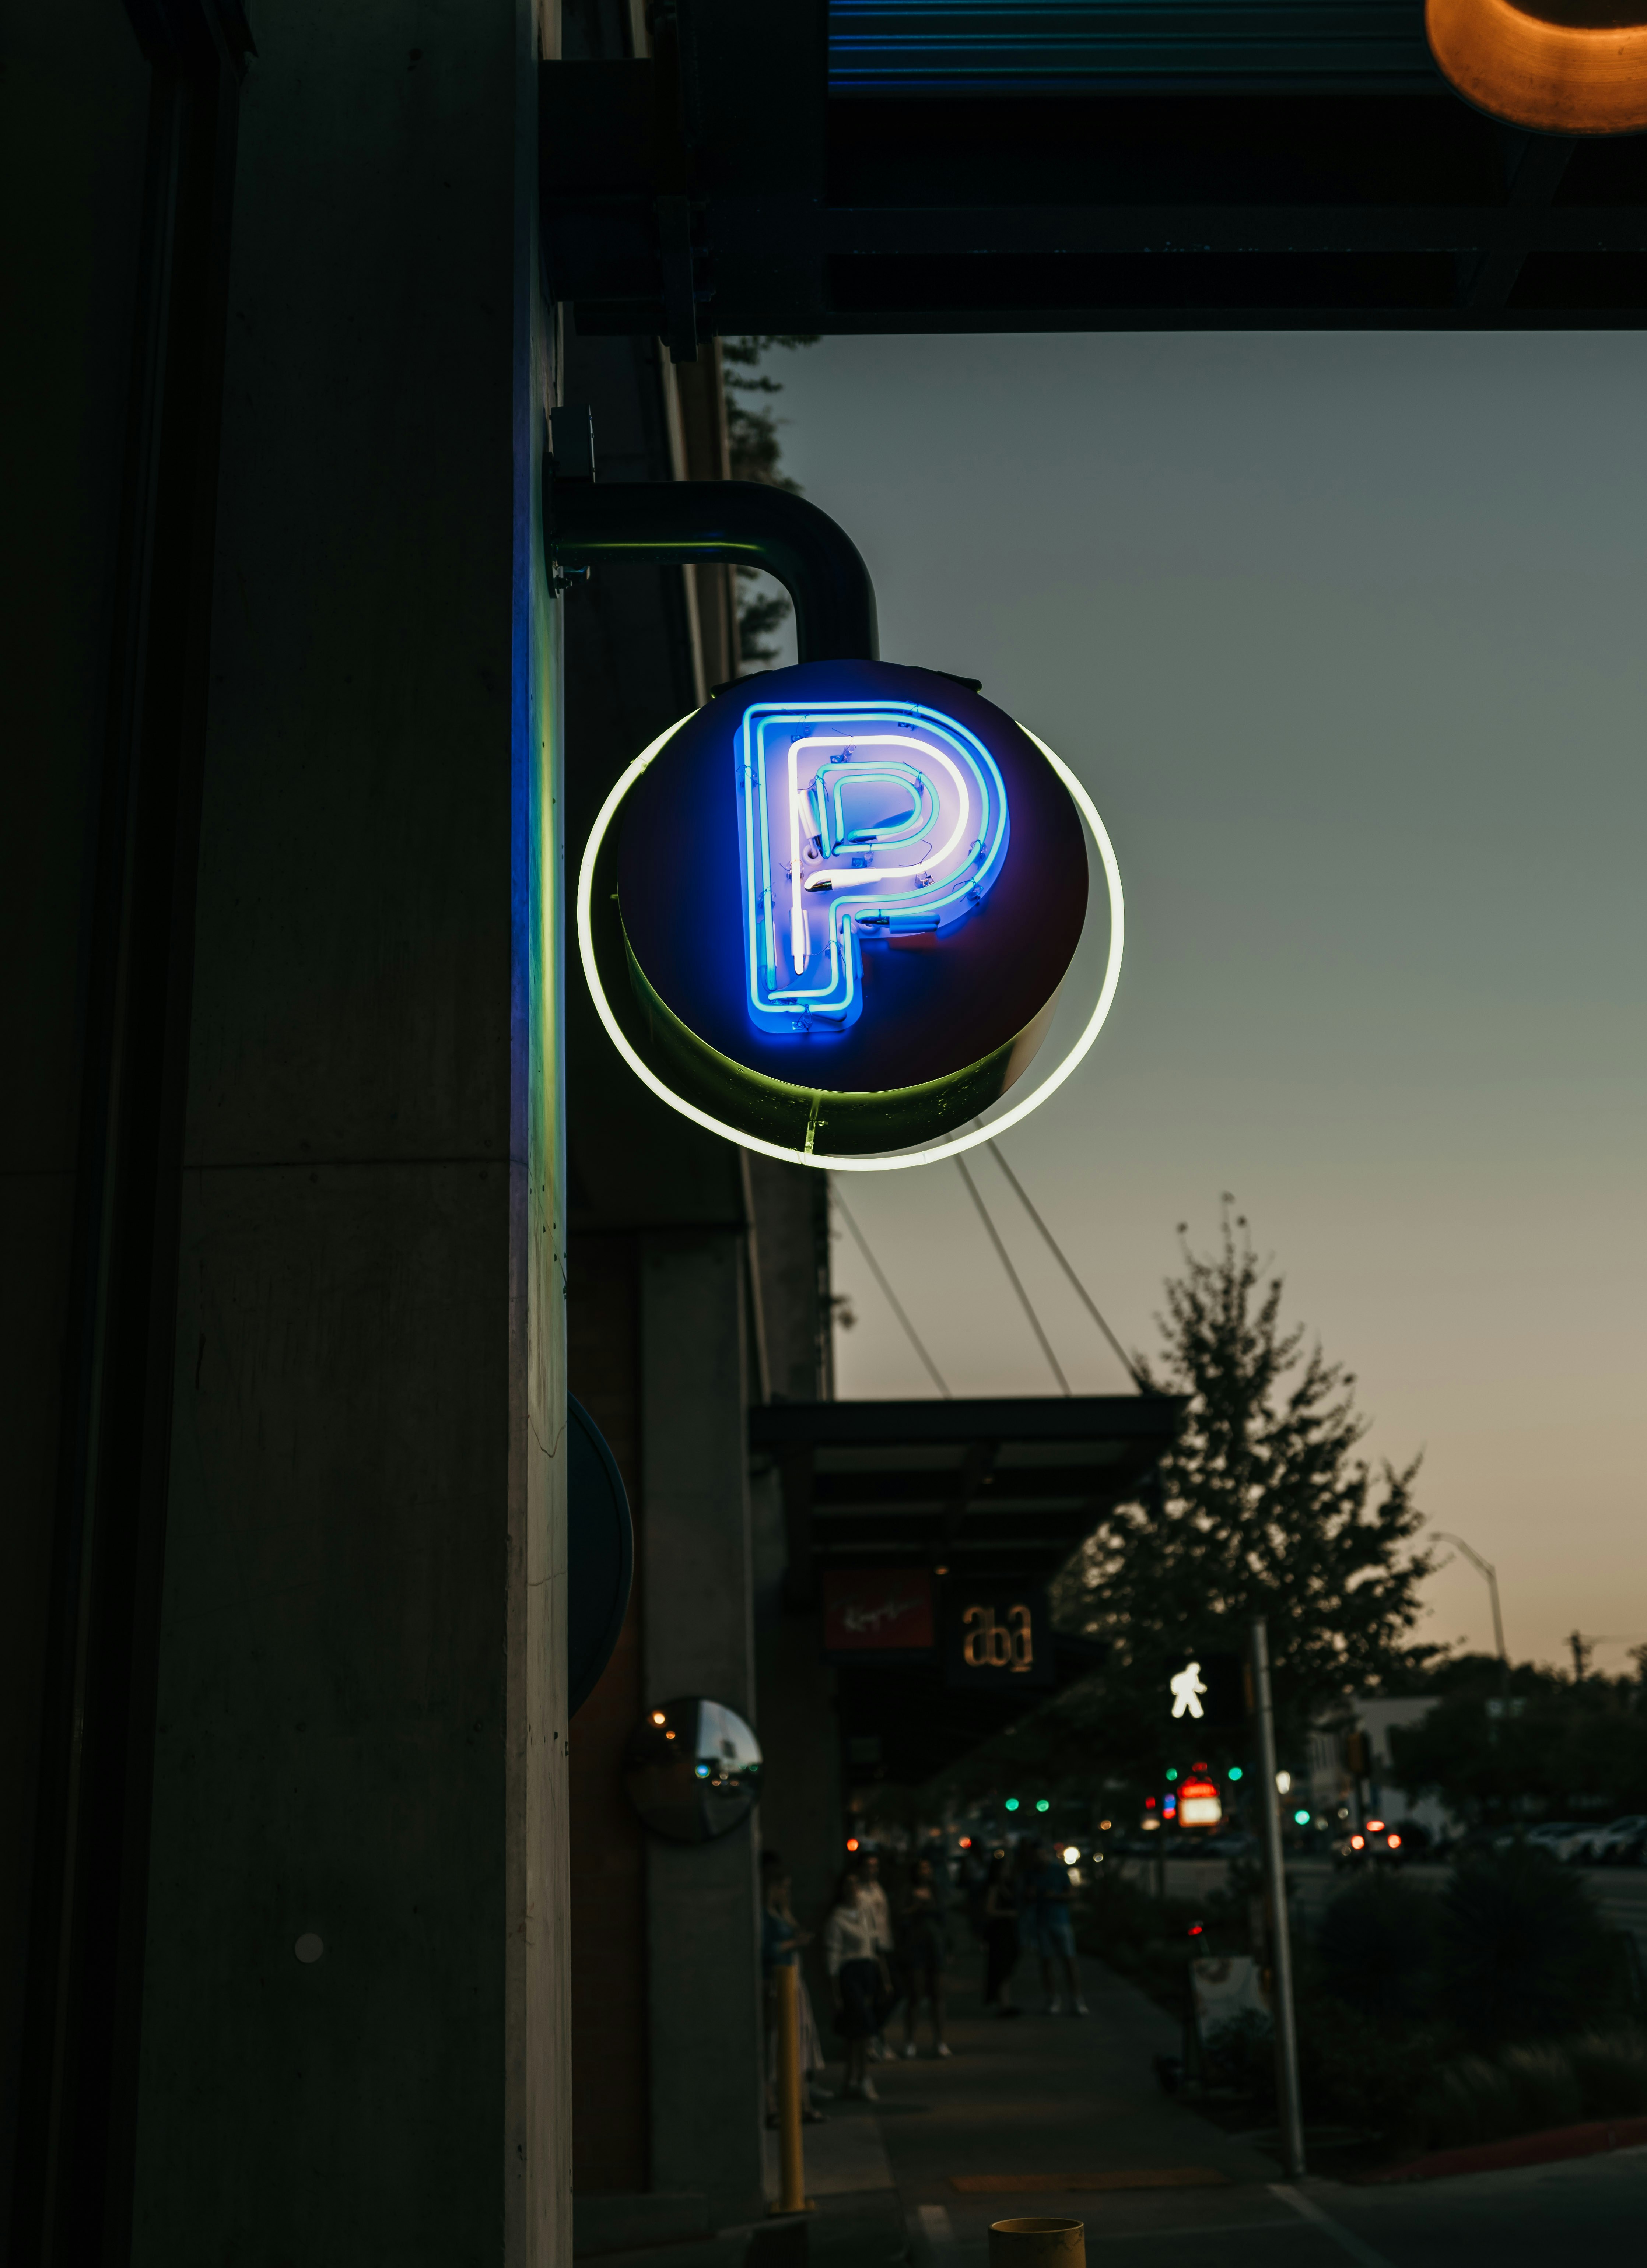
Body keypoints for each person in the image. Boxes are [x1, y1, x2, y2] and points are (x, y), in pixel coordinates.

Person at [761, 1855, 826, 2123]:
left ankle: (800, 2102)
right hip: (778, 1982)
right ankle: (775, 2104)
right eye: (783, 1888)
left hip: (792, 1980)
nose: (786, 1893)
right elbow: (766, 1950)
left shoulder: (779, 1914)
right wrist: (793, 1943)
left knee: (797, 2040)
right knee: (778, 2042)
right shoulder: (764, 1917)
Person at [823, 1870, 889, 2099]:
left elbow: (873, 1943)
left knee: (857, 2033)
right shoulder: (837, 1918)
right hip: (850, 1972)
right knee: (862, 2025)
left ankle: (853, 2080)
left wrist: (883, 1976)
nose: (853, 1889)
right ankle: (861, 2078)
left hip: (867, 1970)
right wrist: (835, 1991)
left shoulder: (864, 1912)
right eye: (848, 1884)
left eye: (855, 1884)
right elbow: (833, 1955)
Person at [1022, 1840, 1087, 2015]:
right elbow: (1026, 1898)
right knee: (1047, 1962)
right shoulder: (1031, 1874)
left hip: (1060, 1920)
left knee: (1069, 1961)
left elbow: (1072, 1893)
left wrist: (1056, 1896)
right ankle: (1053, 1999)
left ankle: (1077, 1999)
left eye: (1042, 1855)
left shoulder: (1058, 1871)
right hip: (1041, 1922)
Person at [897, 1856, 950, 2058]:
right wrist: (916, 1908)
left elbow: (945, 1918)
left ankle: (940, 2040)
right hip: (915, 1947)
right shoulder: (907, 1890)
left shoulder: (936, 1890)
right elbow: (900, 1915)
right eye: (921, 1868)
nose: (925, 1872)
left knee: (938, 1995)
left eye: (927, 1868)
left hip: (935, 1947)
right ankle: (910, 2041)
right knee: (915, 1994)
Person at [852, 1851, 897, 2060]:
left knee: (886, 1994)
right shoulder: (861, 1893)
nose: (873, 1871)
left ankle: (877, 2037)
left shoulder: (877, 1889)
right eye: (869, 1866)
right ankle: (873, 2039)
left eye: (875, 1866)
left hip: (884, 1945)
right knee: (879, 1993)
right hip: (872, 1949)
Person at [981, 1852, 1022, 2017]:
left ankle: (1006, 2002)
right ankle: (1003, 2003)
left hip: (1008, 1930)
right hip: (1000, 1931)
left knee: (1007, 1966)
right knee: (1001, 1966)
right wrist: (1008, 1914)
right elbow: (989, 1910)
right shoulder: (995, 1887)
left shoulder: (1008, 1886)